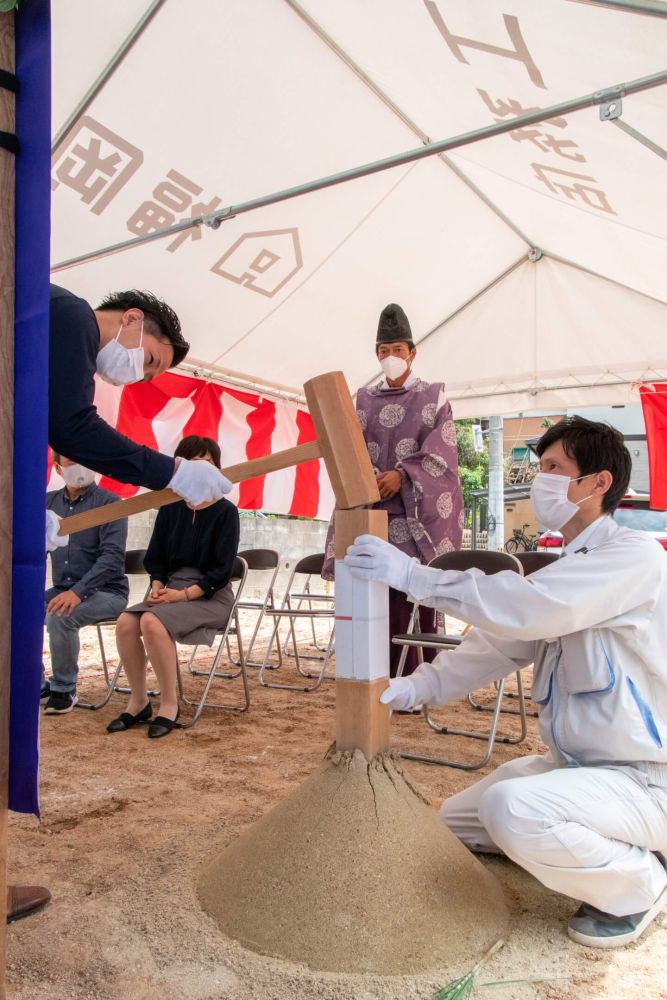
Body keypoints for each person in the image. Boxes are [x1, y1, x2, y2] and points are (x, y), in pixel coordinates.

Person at [345, 415, 667, 949]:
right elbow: (500, 644)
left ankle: (641, 885)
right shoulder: (573, 565)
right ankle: (608, 840)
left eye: (553, 468)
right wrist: (418, 687)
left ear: (598, 482)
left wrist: (413, 576)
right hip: (576, 769)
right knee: (459, 822)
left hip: (645, 779)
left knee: (512, 810)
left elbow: (527, 609)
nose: (539, 479)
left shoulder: (631, 559)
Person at [323, 303, 463, 676]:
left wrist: (401, 476)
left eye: (397, 350)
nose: (390, 358)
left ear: (412, 353)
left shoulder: (433, 396)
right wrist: (369, 478)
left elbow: (443, 453)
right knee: (370, 597)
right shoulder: (362, 400)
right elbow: (348, 446)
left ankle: (418, 681)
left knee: (410, 595)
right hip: (371, 512)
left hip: (415, 517)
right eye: (383, 352)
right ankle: (372, 678)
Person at [47, 285, 233, 531]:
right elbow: (72, 428)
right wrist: (174, 472)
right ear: (132, 318)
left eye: (145, 377)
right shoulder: (75, 317)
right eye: (150, 360)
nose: (138, 374)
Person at [107, 436, 240, 739]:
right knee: (127, 621)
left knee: (152, 622)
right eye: (193, 463)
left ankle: (169, 704)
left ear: (217, 468)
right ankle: (139, 701)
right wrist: (157, 586)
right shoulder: (169, 508)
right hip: (173, 591)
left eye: (208, 463)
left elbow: (221, 571)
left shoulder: (226, 512)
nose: (202, 470)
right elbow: (157, 559)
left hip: (210, 596)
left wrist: (183, 595)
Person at [43, 452, 129, 714]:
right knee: (17, 609)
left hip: (108, 592)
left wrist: (78, 593)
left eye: (84, 459)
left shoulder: (111, 503)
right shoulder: (47, 504)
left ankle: (64, 688)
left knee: (60, 615)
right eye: (70, 462)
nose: (79, 466)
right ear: (58, 469)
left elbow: (112, 558)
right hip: (62, 589)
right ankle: (35, 682)